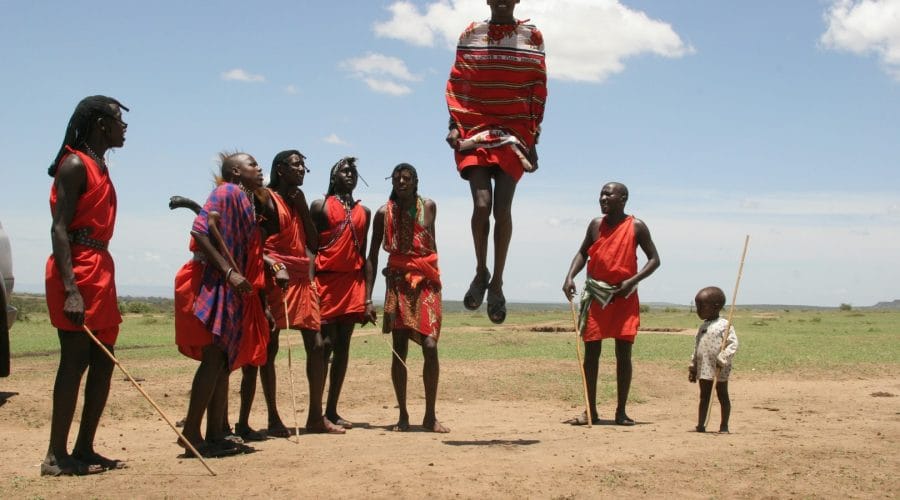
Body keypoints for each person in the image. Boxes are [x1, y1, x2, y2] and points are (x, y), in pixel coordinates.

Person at [42, 96, 129, 476]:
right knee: (74, 360)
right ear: (100, 123)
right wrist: (72, 289)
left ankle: (85, 447)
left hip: (100, 267)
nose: (123, 128)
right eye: (118, 120)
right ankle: (55, 456)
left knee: (104, 362)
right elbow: (59, 229)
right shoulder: (75, 164)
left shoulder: (100, 166)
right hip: (76, 267)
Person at [445, 0, 547, 324]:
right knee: (481, 205)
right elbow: (459, 84)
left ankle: (498, 284)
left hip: (514, 134)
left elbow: (537, 89)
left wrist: (533, 138)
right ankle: (481, 271)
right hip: (474, 128)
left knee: (502, 210)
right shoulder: (472, 34)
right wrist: (452, 126)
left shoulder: (532, 37)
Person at [237, 150, 344, 437]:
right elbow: (255, 244)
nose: (302, 170)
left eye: (303, 165)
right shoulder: (263, 198)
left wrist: (302, 209)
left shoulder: (297, 200)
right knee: (269, 347)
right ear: (280, 169)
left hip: (300, 278)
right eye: (296, 165)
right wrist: (272, 267)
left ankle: (315, 417)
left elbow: (312, 243)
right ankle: (273, 417)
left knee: (318, 345)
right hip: (275, 277)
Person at [173, 152, 272, 457]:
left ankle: (216, 433)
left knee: (223, 361)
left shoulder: (245, 199)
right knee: (214, 357)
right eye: (252, 164)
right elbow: (200, 231)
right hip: (214, 282)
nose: (259, 168)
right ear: (236, 172)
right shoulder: (226, 191)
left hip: (231, 286)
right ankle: (191, 433)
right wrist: (229, 273)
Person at [563, 182, 660, 426]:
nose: (603, 198)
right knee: (591, 354)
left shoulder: (636, 226)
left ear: (623, 198)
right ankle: (590, 410)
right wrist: (569, 276)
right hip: (597, 295)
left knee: (623, 354)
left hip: (624, 296)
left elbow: (654, 260)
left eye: (608, 194)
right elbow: (583, 253)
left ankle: (621, 412)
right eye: (601, 194)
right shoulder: (596, 224)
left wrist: (632, 281)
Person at [365, 164, 449, 433]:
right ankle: (402, 414)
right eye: (397, 178)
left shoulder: (430, 206)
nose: (401, 182)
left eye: (407, 178)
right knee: (399, 348)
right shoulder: (382, 213)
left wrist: (432, 273)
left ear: (415, 181)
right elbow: (373, 256)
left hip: (425, 282)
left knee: (430, 346)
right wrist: (367, 298)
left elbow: (432, 245)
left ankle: (430, 415)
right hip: (398, 283)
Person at [310, 157, 371, 429]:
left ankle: (332, 410)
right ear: (333, 176)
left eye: (353, 171)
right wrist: (310, 285)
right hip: (324, 282)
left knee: (343, 347)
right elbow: (310, 249)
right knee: (323, 346)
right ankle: (316, 412)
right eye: (345, 170)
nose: (350, 174)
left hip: (352, 284)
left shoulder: (364, 212)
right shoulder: (320, 206)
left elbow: (364, 253)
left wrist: (367, 296)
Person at [689, 286, 738, 433]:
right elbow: (697, 347)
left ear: (716, 307)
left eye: (701, 306)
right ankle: (701, 424)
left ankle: (724, 426)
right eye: (697, 306)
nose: (698, 310)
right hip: (703, 368)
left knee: (723, 395)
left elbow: (733, 344)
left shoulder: (724, 325)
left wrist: (723, 358)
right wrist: (693, 367)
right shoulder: (703, 326)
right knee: (704, 397)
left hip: (719, 368)